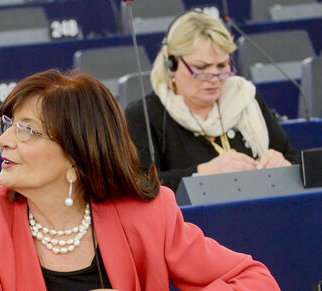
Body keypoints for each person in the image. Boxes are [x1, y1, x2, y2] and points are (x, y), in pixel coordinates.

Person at [0, 70, 281, 291]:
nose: (3, 140)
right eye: (8, 125)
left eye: (27, 130)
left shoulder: (145, 213)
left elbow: (257, 284)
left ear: (76, 155)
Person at [125, 10, 298, 191]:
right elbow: (140, 184)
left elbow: (294, 159)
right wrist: (203, 173)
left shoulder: (245, 99)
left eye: (222, 65)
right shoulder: (143, 116)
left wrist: (284, 164)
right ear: (171, 63)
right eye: (202, 67)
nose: (215, 77)